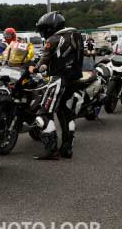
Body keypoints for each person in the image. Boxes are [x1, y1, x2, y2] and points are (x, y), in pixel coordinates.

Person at [29, 12, 84, 160]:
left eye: (43, 29)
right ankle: (67, 149)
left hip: (57, 79)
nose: (42, 32)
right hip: (73, 79)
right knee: (65, 112)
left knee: (43, 114)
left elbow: (43, 64)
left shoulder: (54, 39)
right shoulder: (76, 35)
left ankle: (51, 150)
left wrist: (33, 69)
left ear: (50, 27)